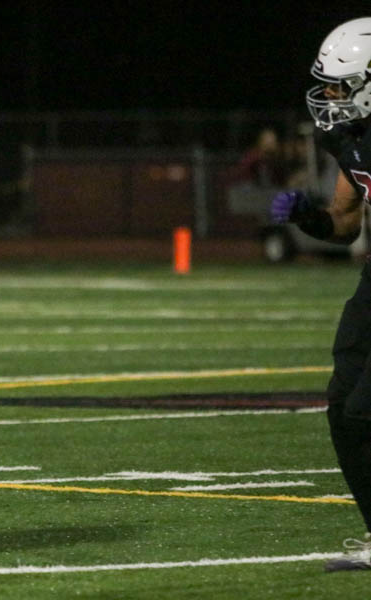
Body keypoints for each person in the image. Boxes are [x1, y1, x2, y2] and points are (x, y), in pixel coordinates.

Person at [270, 16, 371, 572]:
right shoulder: (352, 139)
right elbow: (346, 223)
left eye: (342, 85)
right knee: (343, 409)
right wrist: (310, 218)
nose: (330, 97)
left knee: (365, 411)